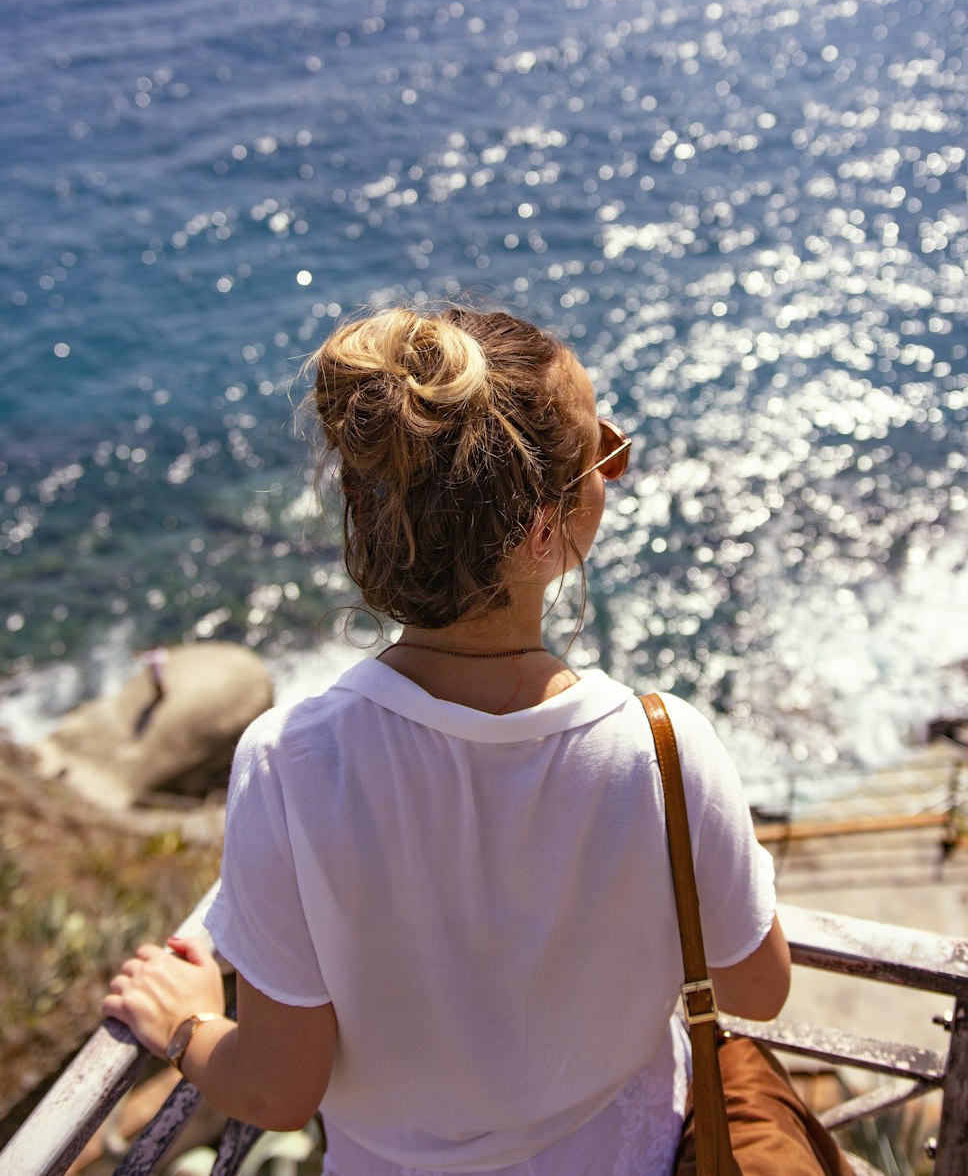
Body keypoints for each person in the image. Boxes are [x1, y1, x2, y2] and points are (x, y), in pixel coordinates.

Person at [103, 305, 796, 1176]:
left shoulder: (291, 764)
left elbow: (279, 1093)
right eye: (602, 457)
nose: (614, 471)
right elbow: (758, 991)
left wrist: (187, 1023)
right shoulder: (663, 750)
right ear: (550, 529)